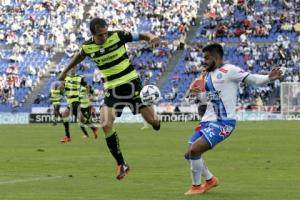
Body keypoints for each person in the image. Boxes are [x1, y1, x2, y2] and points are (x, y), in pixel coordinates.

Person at [59, 18, 161, 180]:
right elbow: (79, 56)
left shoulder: (118, 36)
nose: (105, 37)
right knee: (105, 123)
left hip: (132, 85)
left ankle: (153, 113)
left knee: (154, 123)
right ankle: (122, 164)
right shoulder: (88, 46)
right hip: (113, 89)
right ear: (93, 35)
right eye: (101, 35)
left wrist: (152, 36)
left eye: (106, 33)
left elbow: (142, 34)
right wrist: (65, 71)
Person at [184, 43, 282, 195]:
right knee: (188, 153)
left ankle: (196, 187)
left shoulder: (230, 70)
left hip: (223, 122)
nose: (204, 61)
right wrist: (196, 95)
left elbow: (252, 79)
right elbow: (213, 98)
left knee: (195, 150)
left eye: (207, 58)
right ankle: (210, 180)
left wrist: (268, 78)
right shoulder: (209, 76)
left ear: (216, 57)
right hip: (207, 121)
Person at [60, 68, 90, 143]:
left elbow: (87, 86)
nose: (72, 70)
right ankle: (92, 126)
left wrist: (86, 94)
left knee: (64, 115)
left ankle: (68, 136)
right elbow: (62, 89)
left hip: (76, 101)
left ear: (75, 69)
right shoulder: (66, 78)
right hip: (70, 101)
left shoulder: (79, 78)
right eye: (71, 69)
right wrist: (62, 88)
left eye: (74, 68)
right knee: (82, 119)